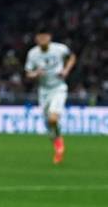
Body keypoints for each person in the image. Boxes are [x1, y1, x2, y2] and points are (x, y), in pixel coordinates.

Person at [24, 28, 76, 164]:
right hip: (43, 91)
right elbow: (28, 72)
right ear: (36, 39)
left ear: (49, 37)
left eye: (44, 37)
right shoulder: (33, 53)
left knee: (53, 119)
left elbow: (72, 57)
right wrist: (35, 74)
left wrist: (66, 70)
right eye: (39, 37)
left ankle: (59, 144)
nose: (42, 40)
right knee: (48, 123)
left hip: (58, 88)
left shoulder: (60, 49)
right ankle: (57, 141)